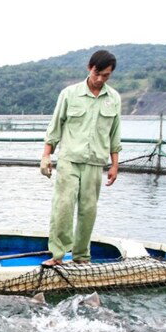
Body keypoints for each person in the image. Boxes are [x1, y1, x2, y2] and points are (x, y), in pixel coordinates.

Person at [40, 50, 122, 266]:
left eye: (106, 75)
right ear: (89, 68)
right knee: (63, 206)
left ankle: (81, 257)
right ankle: (57, 256)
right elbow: (55, 127)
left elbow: (115, 134)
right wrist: (46, 156)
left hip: (95, 162)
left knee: (88, 210)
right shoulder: (69, 94)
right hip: (69, 159)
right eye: (98, 73)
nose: (100, 79)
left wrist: (115, 165)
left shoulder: (113, 99)